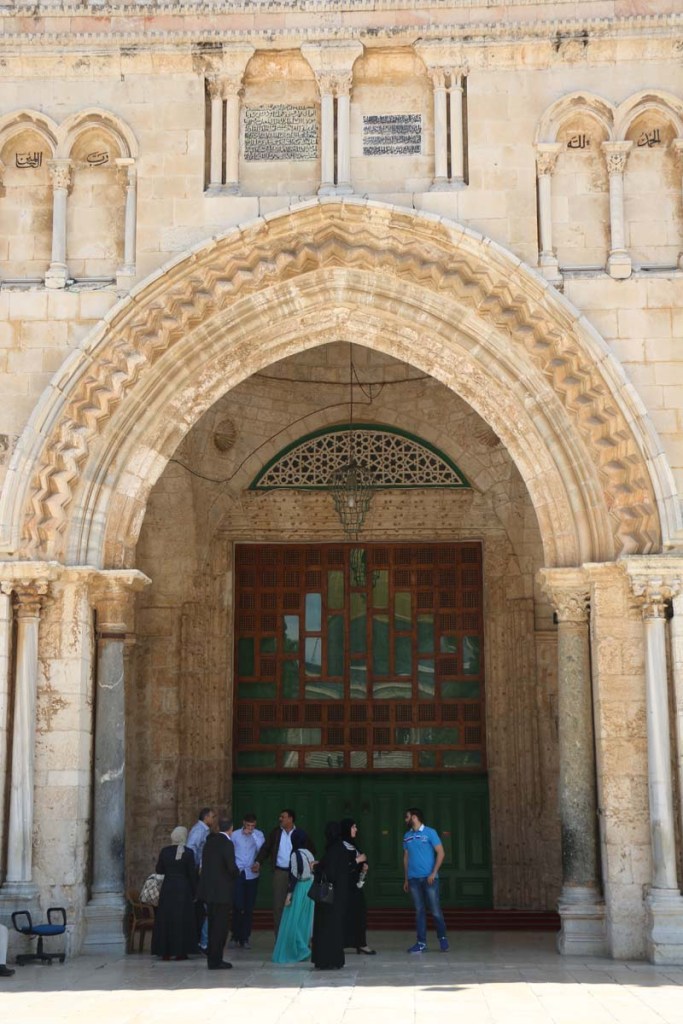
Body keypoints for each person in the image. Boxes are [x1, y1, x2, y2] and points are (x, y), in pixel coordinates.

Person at [253, 808, 314, 937]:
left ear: (291, 818)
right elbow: (266, 848)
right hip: (280, 873)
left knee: (297, 906)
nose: (280, 819)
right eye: (280, 816)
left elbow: (311, 850)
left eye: (283, 817)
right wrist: (258, 862)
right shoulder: (275, 833)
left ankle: (296, 939)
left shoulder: (300, 834)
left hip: (297, 875)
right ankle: (280, 940)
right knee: (278, 906)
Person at [402, 807, 449, 953]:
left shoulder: (430, 832)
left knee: (435, 910)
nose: (405, 820)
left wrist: (434, 873)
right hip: (413, 879)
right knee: (419, 911)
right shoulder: (407, 835)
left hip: (429, 878)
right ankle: (421, 942)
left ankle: (442, 938)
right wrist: (406, 879)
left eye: (407, 817)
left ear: (415, 817)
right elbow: (406, 857)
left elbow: (441, 853)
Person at [197, 817, 240, 970]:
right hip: (222, 893)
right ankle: (216, 960)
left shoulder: (210, 842)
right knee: (220, 928)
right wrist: (237, 874)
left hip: (209, 892)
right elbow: (231, 866)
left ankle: (211, 959)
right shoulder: (227, 843)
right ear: (231, 828)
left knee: (212, 926)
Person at [151, 825, 198, 961]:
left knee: (166, 919)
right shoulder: (188, 853)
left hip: (168, 888)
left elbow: (159, 869)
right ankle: (180, 952)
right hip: (183, 889)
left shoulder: (165, 852)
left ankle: (165, 951)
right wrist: (195, 892)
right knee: (182, 920)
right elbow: (192, 874)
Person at [272, 830, 316, 964]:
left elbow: (295, 875)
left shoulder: (295, 854)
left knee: (292, 921)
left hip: (300, 888)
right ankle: (303, 947)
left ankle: (299, 950)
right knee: (304, 921)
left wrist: (289, 894)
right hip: (310, 887)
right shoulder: (309, 853)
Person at [311, 820, 349, 970]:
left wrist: (317, 867)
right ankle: (335, 960)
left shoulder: (333, 850)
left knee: (326, 928)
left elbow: (330, 873)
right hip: (339, 896)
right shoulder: (341, 848)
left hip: (329, 899)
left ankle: (326, 960)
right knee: (335, 929)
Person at [229, 812, 265, 950]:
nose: (250, 827)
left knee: (249, 907)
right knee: (238, 905)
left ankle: (245, 937)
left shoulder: (258, 835)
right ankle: (234, 935)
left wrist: (253, 834)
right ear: (244, 823)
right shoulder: (235, 834)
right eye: (248, 825)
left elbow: (261, 849)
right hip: (238, 873)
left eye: (253, 825)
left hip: (252, 874)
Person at [340, 817, 375, 955]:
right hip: (343, 888)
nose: (356, 829)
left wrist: (363, 868)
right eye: (353, 827)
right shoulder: (339, 846)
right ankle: (340, 943)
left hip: (355, 887)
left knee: (359, 915)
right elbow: (341, 867)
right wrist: (357, 860)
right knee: (343, 915)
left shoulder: (353, 846)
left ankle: (361, 943)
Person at [186, 806, 216, 953]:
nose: (213, 819)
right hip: (197, 872)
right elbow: (191, 848)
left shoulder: (204, 830)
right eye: (212, 816)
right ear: (206, 817)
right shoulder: (199, 830)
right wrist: (196, 869)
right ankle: (201, 941)